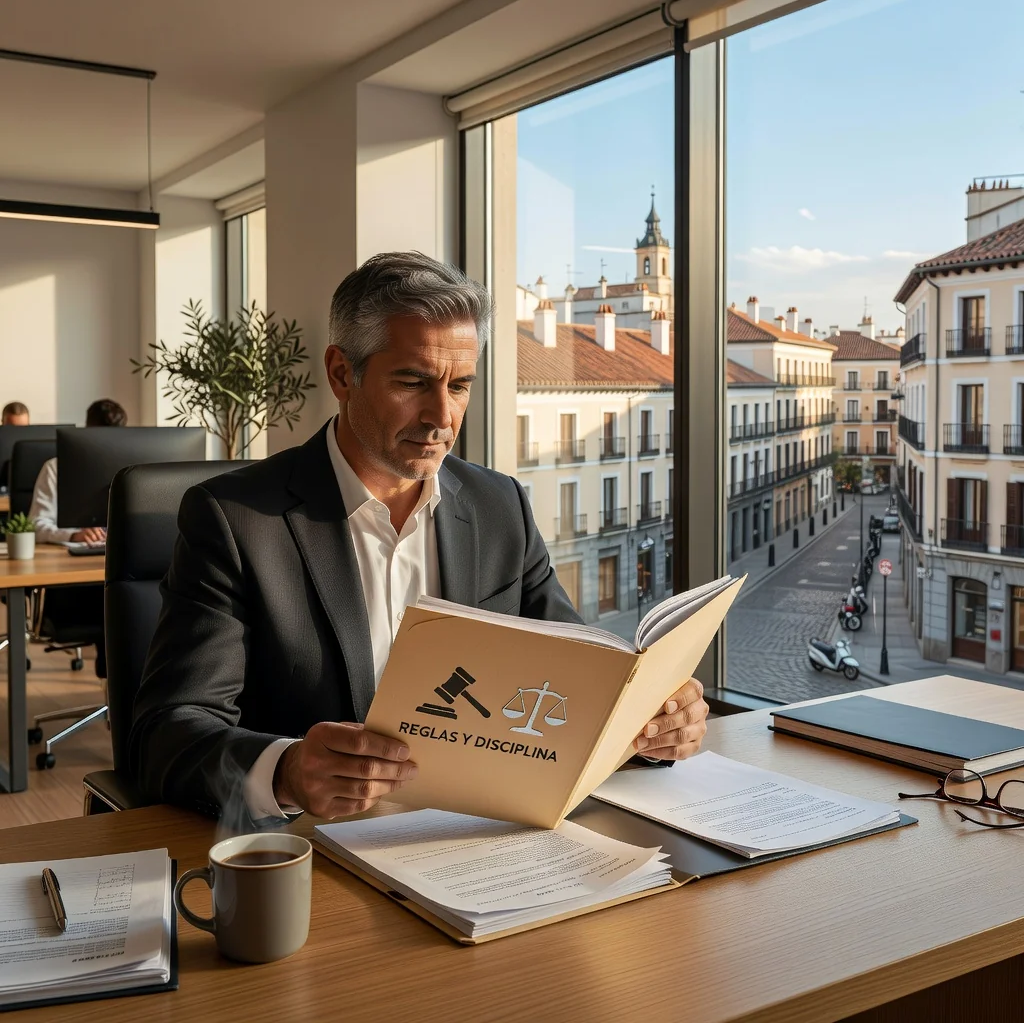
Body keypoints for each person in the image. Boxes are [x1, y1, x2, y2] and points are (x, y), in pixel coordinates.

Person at [129, 252, 709, 823]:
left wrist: (650, 720)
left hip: (484, 835)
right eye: (413, 382)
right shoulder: (234, 519)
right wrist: (286, 771)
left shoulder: (499, 505)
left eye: (460, 386)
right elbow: (168, 732)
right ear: (341, 374)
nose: (442, 416)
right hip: (315, 852)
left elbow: (580, 674)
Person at [28, 399, 127, 679]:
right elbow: (37, 524)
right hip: (74, 589)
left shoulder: (132, 469)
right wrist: (75, 533)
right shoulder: (55, 468)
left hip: (120, 575)